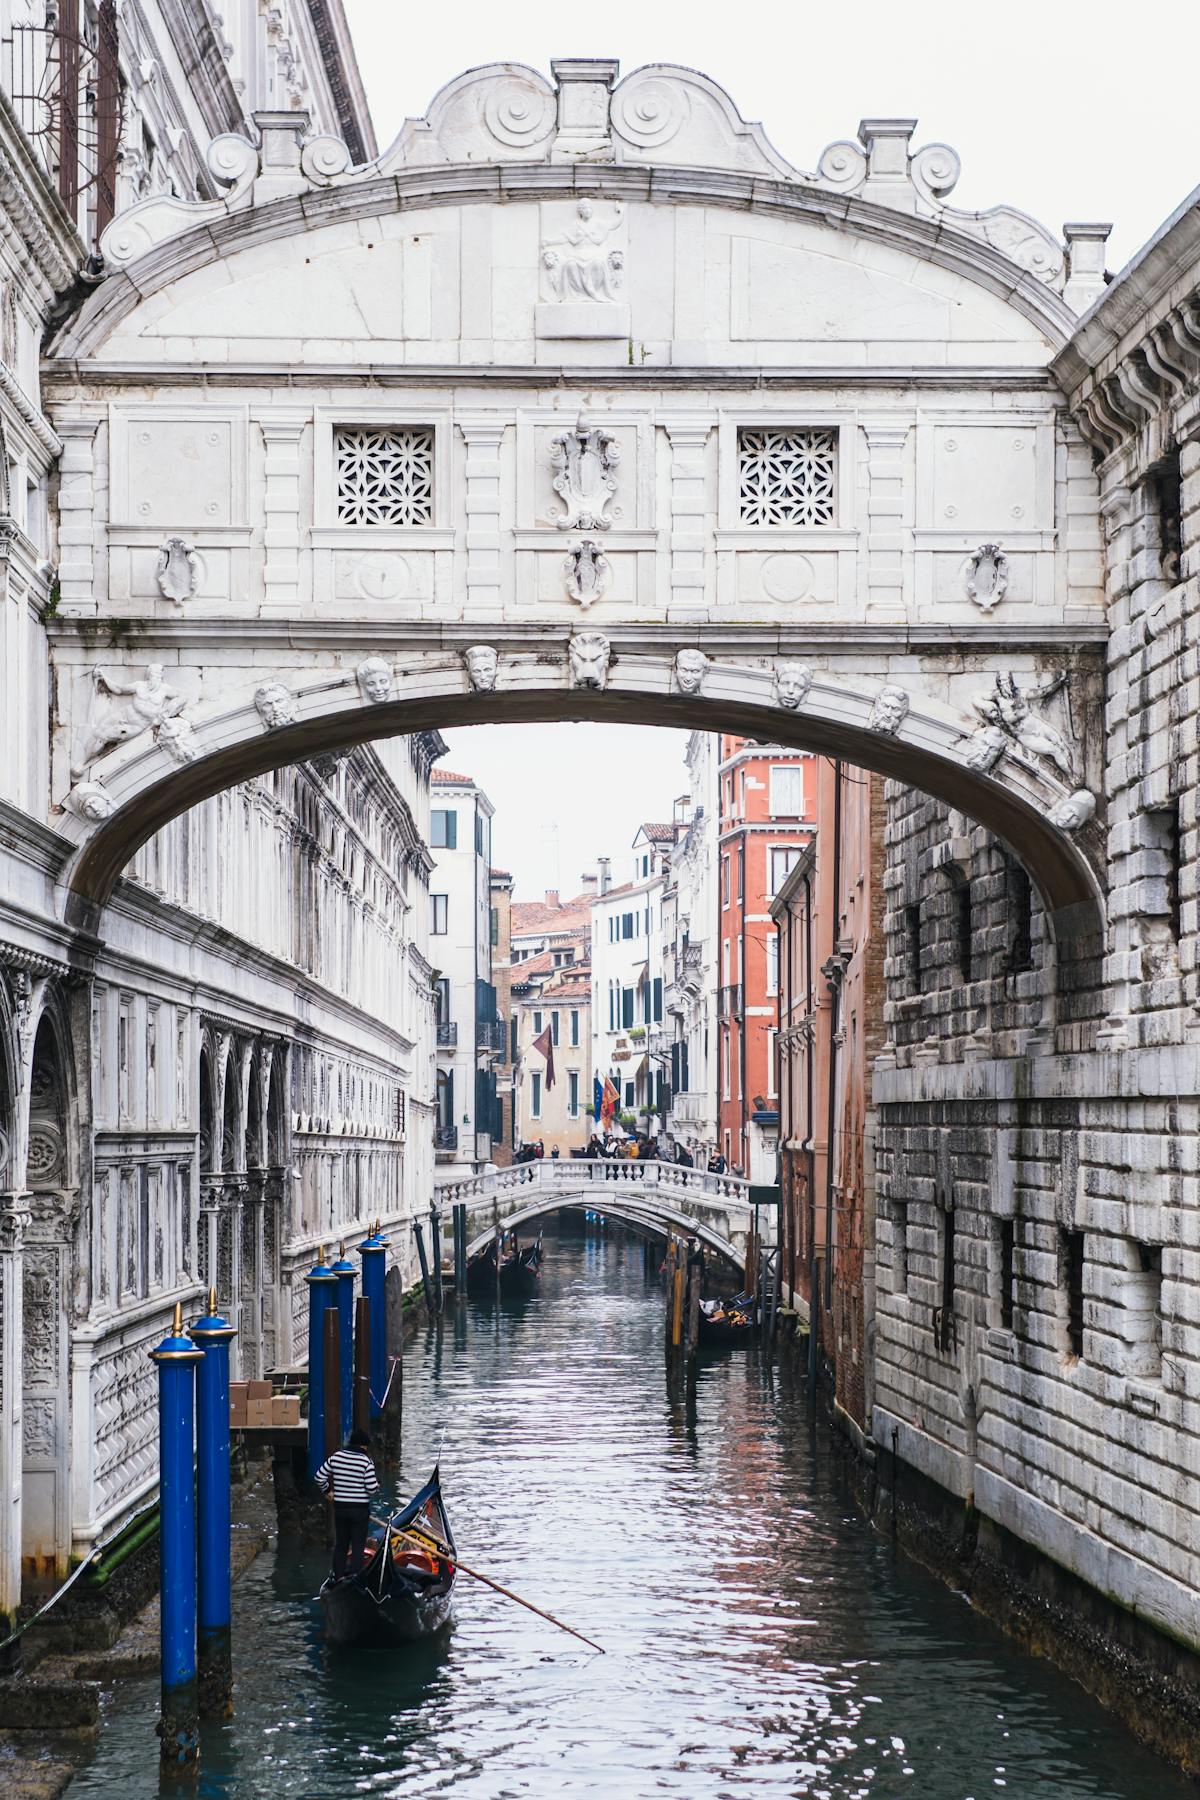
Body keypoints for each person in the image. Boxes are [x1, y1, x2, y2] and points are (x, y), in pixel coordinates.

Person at [316, 1430, 380, 1581]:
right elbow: (371, 1488)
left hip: (341, 1508)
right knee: (358, 1546)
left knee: (341, 1545)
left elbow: (319, 1477)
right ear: (364, 1447)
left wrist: (328, 1491)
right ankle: (354, 1578)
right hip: (359, 1511)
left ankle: (338, 1578)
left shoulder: (336, 1457)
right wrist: (377, 1486)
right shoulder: (366, 1462)